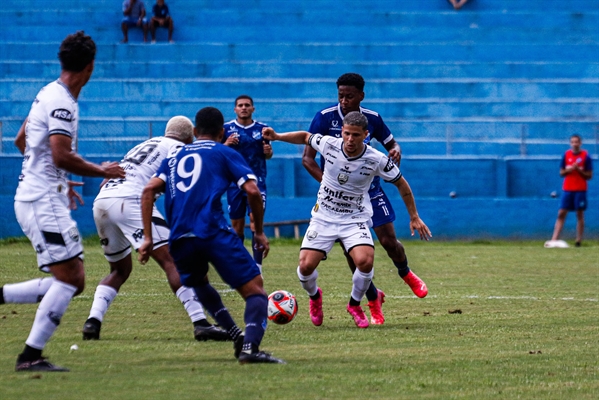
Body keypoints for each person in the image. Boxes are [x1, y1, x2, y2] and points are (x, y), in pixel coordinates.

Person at [0, 31, 126, 372]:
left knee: (74, 279)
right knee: (70, 278)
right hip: (41, 201)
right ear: (90, 66)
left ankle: (27, 347)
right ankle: (30, 355)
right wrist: (100, 170)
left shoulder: (47, 92)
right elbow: (59, 154)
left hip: (39, 195)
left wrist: (58, 180)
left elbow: (21, 139)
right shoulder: (63, 103)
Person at [138, 107, 285, 364]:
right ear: (222, 132)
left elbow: (149, 190)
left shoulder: (174, 156)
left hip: (180, 237)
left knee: (199, 282)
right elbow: (252, 191)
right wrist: (259, 232)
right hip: (212, 231)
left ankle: (235, 334)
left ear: (195, 132)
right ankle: (250, 348)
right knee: (256, 292)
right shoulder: (224, 152)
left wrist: (148, 238)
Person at [263, 112, 432, 329]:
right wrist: (277, 136)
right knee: (305, 267)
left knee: (365, 260)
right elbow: (306, 137)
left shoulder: (376, 159)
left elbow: (402, 184)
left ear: (366, 135)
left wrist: (414, 217)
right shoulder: (329, 144)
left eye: (355, 135)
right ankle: (315, 297)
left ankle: (354, 304)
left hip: (354, 219)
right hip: (324, 217)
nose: (350, 139)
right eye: (346, 134)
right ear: (341, 132)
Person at [81, 116, 228, 342]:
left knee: (119, 270)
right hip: (130, 200)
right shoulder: (180, 149)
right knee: (174, 261)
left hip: (102, 201)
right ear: (190, 136)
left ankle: (92, 322)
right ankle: (201, 323)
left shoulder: (145, 144)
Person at [303, 73, 428, 326]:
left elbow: (393, 144)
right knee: (355, 254)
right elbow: (307, 159)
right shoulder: (324, 118)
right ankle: (372, 299)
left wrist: (395, 150)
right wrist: (334, 188)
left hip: (371, 189)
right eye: (340, 95)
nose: (344, 100)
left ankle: (405, 272)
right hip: (338, 201)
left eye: (349, 96)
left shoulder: (372, 119)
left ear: (361, 95)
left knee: (388, 241)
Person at [223, 95, 273, 269]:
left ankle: (257, 267)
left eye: (247, 105)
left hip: (257, 182)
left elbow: (269, 154)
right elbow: (217, 150)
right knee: (236, 228)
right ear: (235, 109)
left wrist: (268, 152)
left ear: (253, 108)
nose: (244, 108)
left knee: (255, 221)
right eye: (240, 105)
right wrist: (226, 144)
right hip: (234, 183)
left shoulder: (263, 129)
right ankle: (240, 265)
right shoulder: (226, 129)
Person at [550, 134, 593, 247]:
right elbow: (561, 173)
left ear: (580, 143)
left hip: (580, 189)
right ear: (570, 143)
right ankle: (554, 239)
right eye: (572, 142)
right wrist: (569, 170)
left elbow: (589, 176)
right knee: (561, 213)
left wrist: (578, 170)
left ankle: (578, 240)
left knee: (579, 214)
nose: (575, 144)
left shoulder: (586, 156)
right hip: (568, 188)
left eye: (576, 142)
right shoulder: (566, 155)